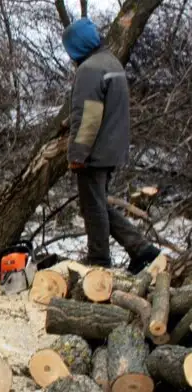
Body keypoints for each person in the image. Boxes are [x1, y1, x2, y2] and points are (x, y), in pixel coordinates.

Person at [62, 18, 161, 273]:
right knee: (97, 204)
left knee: (93, 209)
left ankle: (99, 260)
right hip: (112, 148)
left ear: (76, 46)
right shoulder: (111, 62)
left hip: (94, 151)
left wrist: (77, 153)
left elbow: (90, 116)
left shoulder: (89, 69)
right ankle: (141, 249)